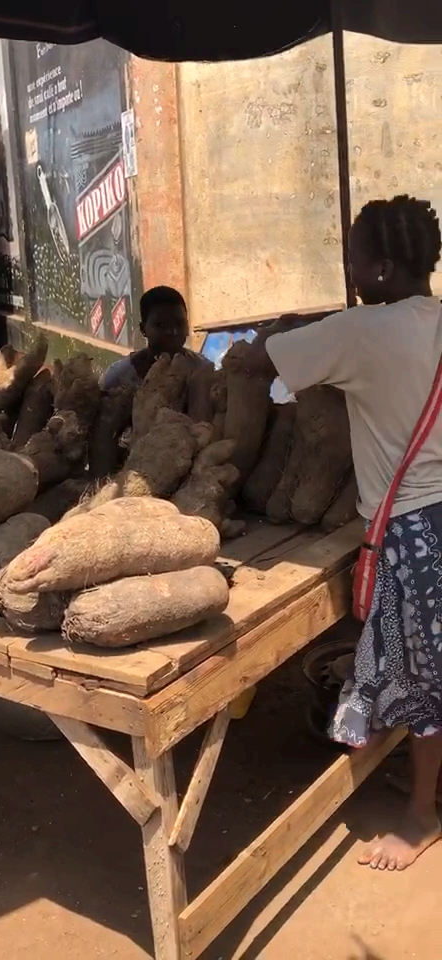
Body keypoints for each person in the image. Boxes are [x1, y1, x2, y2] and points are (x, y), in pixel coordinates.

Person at [255, 194, 442, 872]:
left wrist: (277, 330)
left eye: (357, 257)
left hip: (414, 533)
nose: (351, 268)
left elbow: (263, 362)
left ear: (385, 267)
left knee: (427, 679)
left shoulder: (361, 331)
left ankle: (422, 817)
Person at [100, 285, 207, 390]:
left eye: (179, 324)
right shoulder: (119, 379)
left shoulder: (203, 371)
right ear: (143, 329)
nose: (173, 332)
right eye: (161, 325)